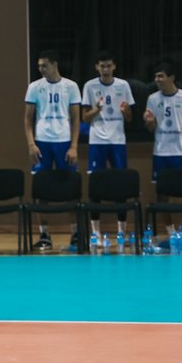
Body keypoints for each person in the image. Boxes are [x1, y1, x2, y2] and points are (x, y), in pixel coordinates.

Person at [24, 49, 82, 251]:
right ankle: (44, 235)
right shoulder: (34, 87)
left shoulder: (71, 86)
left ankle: (76, 233)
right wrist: (31, 144)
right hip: (42, 142)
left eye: (44, 65)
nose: (41, 69)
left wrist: (74, 146)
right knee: (42, 190)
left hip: (64, 142)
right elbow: (27, 119)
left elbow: (76, 119)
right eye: (39, 66)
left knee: (71, 189)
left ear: (55, 64)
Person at [81, 51, 135, 242]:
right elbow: (84, 117)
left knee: (121, 186)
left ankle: (122, 231)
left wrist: (126, 112)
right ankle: (95, 232)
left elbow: (129, 118)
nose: (105, 69)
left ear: (114, 67)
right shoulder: (90, 86)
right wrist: (97, 110)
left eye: (108, 66)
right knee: (96, 186)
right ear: (97, 67)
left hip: (117, 141)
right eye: (102, 66)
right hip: (97, 141)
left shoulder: (123, 85)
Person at [142, 61, 182, 236]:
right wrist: (149, 122)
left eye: (161, 76)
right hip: (161, 152)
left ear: (171, 77)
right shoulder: (153, 99)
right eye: (155, 76)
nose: (157, 79)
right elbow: (150, 127)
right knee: (162, 195)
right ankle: (170, 232)